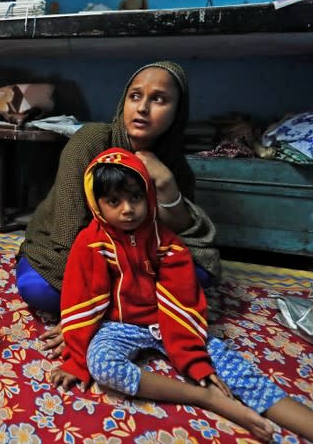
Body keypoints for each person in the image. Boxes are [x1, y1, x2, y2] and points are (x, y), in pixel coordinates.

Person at [49, 147, 313, 444]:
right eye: (113, 201)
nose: (128, 209)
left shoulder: (167, 244)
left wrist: (196, 363)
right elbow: (80, 299)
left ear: (149, 194)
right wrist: (76, 357)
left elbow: (180, 301)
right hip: (119, 327)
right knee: (101, 364)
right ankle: (207, 399)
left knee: (242, 375)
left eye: (135, 197)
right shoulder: (89, 244)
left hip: (169, 321)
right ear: (96, 204)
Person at [16, 61, 220, 357]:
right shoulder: (90, 141)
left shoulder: (174, 165)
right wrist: (84, 312)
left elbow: (179, 232)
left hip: (137, 255)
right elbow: (68, 230)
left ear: (178, 111)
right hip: (74, 248)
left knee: (202, 270)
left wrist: (165, 184)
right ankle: (137, 307)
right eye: (135, 96)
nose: (142, 108)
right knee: (39, 289)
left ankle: (128, 304)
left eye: (158, 99)